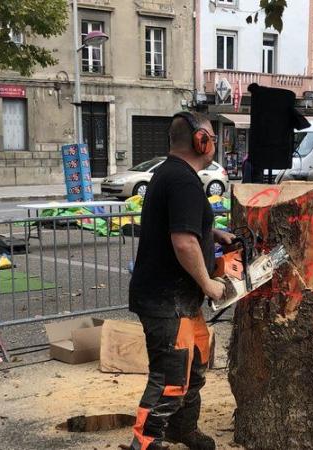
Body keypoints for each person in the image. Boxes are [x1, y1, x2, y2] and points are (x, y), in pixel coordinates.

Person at [128, 111, 233, 450]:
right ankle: (145, 443)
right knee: (171, 378)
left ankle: (181, 428)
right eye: (212, 139)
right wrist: (209, 284)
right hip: (167, 300)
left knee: (196, 366)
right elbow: (183, 241)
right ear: (201, 141)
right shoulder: (183, 181)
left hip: (179, 301)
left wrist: (212, 233)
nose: (214, 145)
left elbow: (182, 227)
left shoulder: (169, 174)